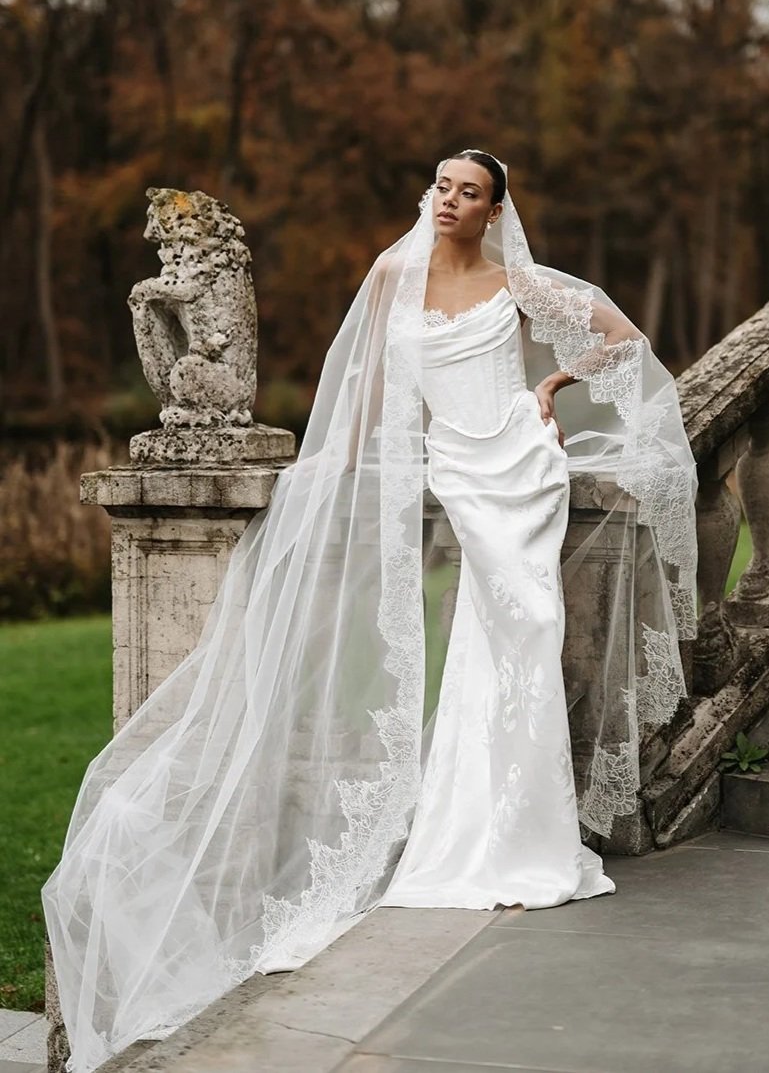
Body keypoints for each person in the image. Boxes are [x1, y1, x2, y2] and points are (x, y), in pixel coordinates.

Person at [43, 150, 697, 1073]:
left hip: (520, 464)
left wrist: (550, 387)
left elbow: (621, 335)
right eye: (440, 186)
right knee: (489, 644)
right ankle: (473, 835)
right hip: (457, 473)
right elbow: (369, 388)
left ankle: (528, 836)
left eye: (468, 192)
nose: (448, 201)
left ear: (494, 208)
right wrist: (328, 467)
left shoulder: (516, 278)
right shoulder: (393, 271)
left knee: (525, 636)